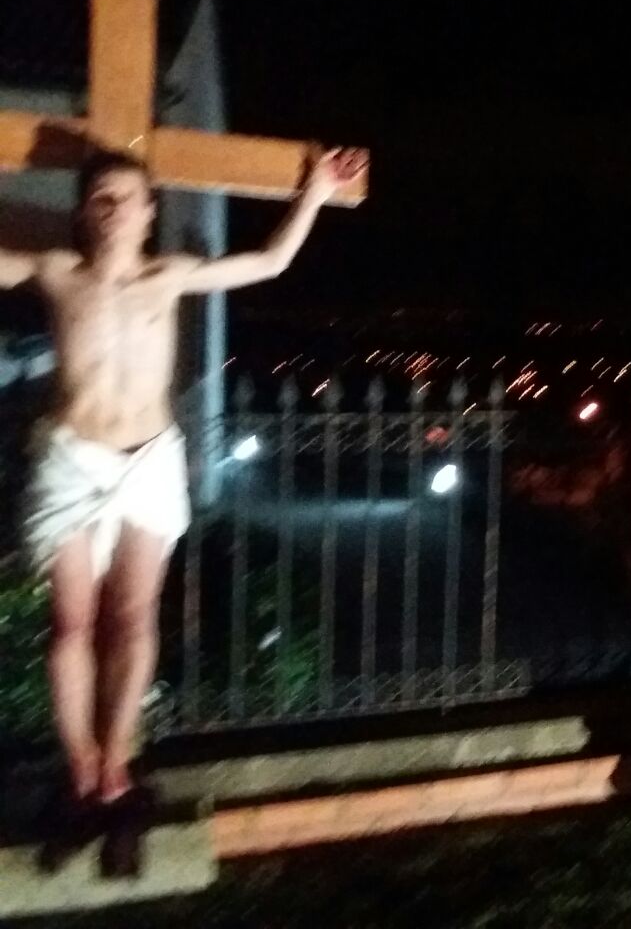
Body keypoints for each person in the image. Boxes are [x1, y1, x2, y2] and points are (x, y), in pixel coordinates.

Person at [1, 145, 368, 875]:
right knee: (71, 624)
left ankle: (115, 770)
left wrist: (316, 191)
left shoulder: (168, 275)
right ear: (84, 211)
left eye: (127, 198)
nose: (114, 210)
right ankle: (81, 774)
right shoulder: (57, 271)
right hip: (71, 458)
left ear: (149, 211)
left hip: (148, 460)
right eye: (101, 198)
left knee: (134, 617)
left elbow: (268, 263)